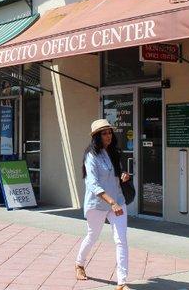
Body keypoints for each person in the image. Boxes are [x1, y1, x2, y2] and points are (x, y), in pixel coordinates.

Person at [76, 119, 131, 290]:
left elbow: (116, 174)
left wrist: (124, 175)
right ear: (96, 136)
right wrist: (111, 201)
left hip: (118, 201)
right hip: (98, 204)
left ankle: (122, 281)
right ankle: (79, 264)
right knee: (93, 235)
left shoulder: (114, 152)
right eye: (104, 133)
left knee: (121, 240)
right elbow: (92, 184)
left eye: (109, 132)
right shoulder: (91, 155)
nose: (108, 136)